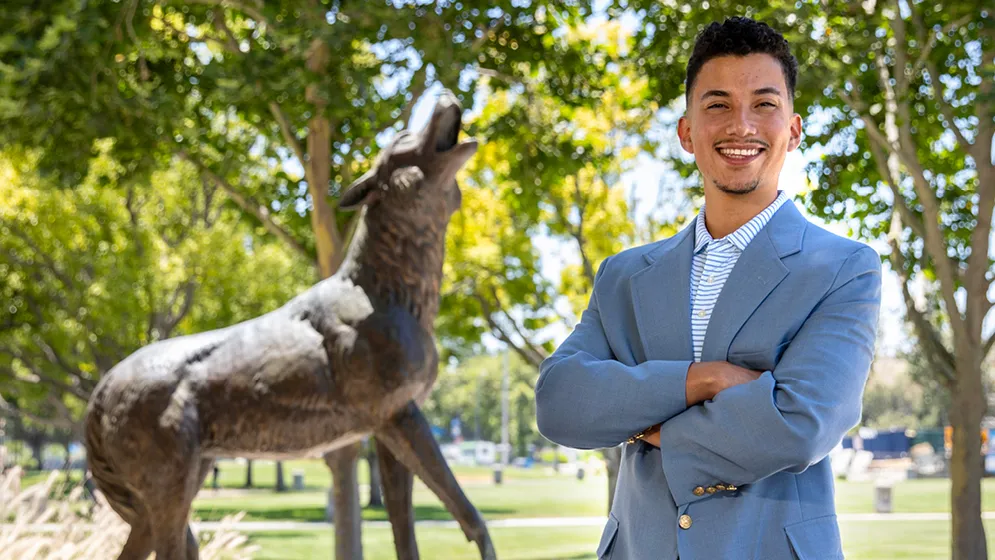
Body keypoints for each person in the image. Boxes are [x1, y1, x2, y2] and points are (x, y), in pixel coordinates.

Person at [535, 17, 882, 560]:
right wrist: (708, 380)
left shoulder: (843, 269)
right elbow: (560, 403)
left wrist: (646, 426)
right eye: (717, 104)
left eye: (764, 104)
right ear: (686, 132)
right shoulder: (623, 277)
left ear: (792, 130)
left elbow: (799, 426)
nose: (741, 125)